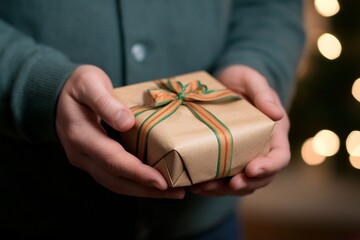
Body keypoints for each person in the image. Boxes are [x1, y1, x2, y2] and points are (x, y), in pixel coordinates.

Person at [0, 1, 305, 239]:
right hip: (31, 210)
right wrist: (38, 87)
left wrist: (258, 65)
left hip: (205, 224)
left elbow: (270, 7)